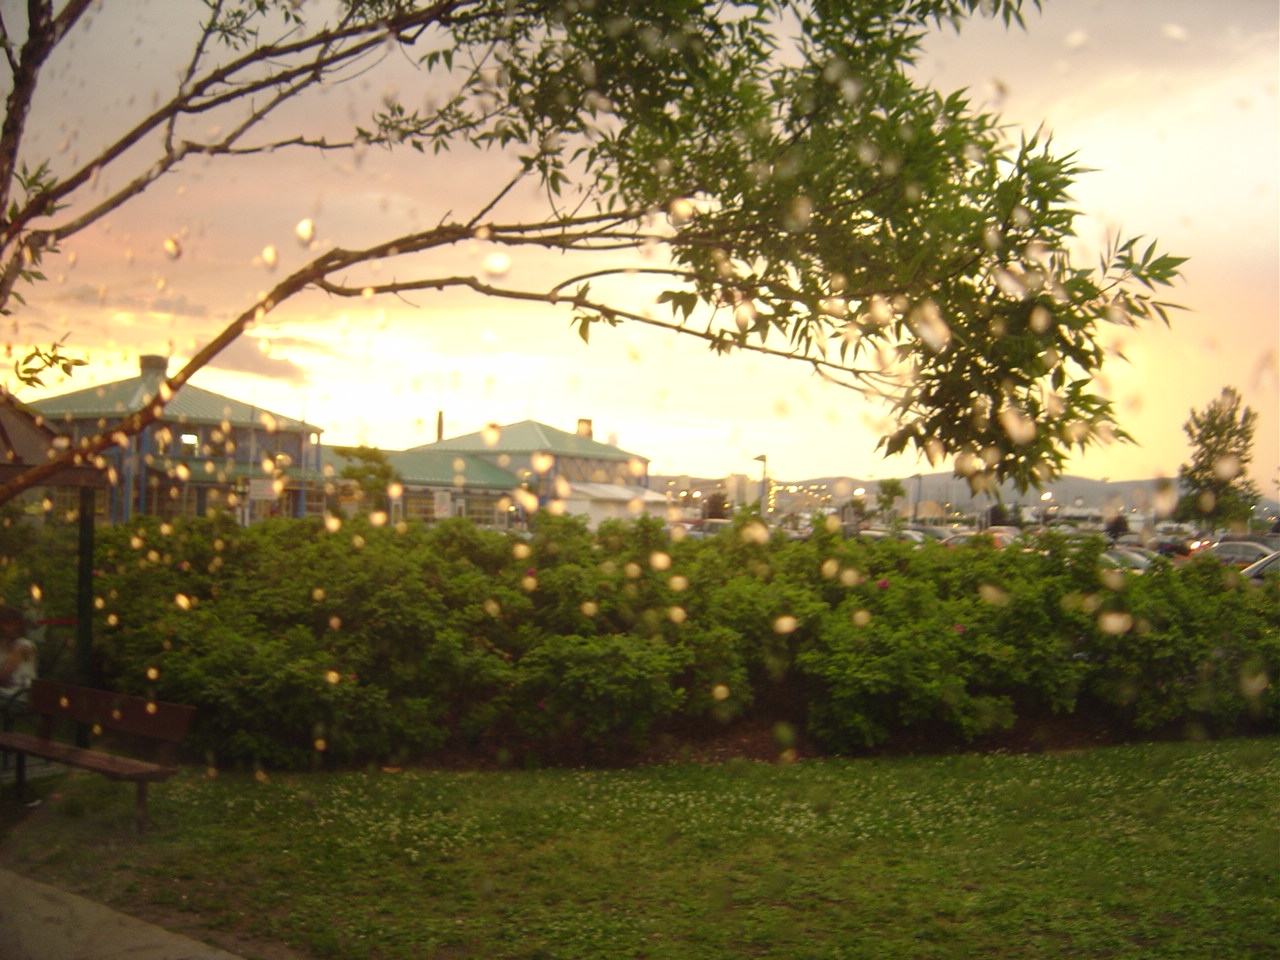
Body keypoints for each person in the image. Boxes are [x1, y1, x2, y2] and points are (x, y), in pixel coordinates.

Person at [0, 605, 36, 720]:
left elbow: (4, 674)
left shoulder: (23, 646)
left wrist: (2, 679)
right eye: (3, 623)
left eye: (8, 624)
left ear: (18, 625)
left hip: (17, 697)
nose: (3, 627)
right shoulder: (5, 644)